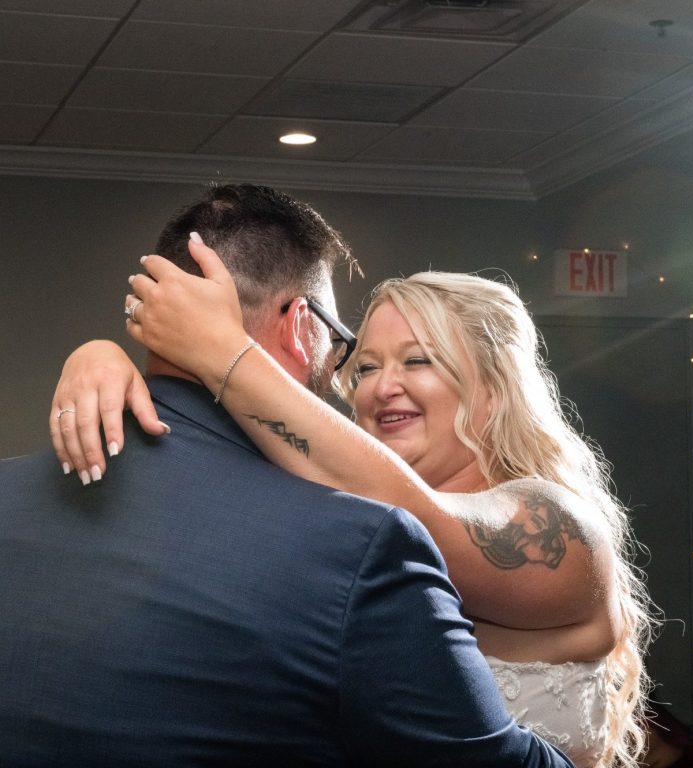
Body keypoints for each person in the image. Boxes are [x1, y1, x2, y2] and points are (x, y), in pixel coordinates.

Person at [0, 184, 573, 767]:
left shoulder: (538, 517)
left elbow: (417, 513)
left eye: (420, 360)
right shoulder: (351, 544)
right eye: (362, 361)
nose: (374, 386)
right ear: (304, 326)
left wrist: (207, 349)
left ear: (497, 384)